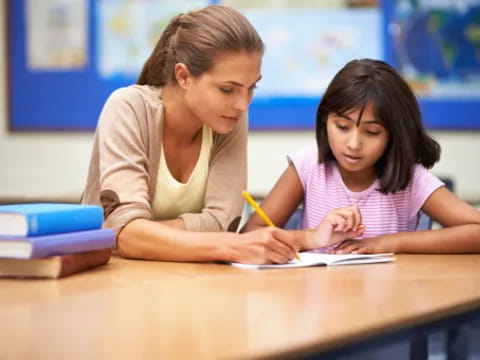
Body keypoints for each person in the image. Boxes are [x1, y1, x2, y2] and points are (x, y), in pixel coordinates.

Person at [82, 5, 300, 264]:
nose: (243, 104)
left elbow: (223, 224)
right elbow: (125, 234)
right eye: (228, 89)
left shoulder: (228, 118)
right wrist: (229, 246)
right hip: (113, 279)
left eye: (251, 87)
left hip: (192, 279)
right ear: (184, 76)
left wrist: (144, 232)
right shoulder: (128, 107)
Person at [242, 59, 480, 254]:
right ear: (326, 120)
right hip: (318, 303)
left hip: (391, 304)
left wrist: (389, 242)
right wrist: (312, 238)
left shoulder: (411, 178)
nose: (353, 144)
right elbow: (249, 237)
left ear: (394, 134)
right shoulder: (308, 165)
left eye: (372, 132)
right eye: (342, 127)